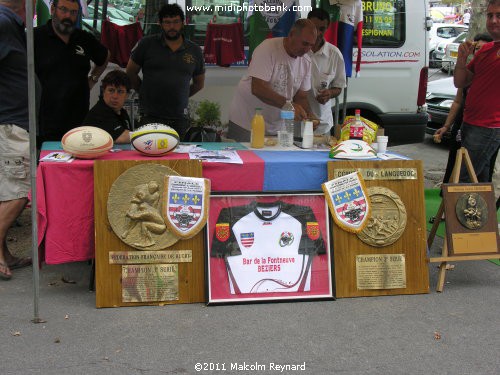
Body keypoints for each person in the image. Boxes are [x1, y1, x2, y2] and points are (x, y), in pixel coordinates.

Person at [228, 19, 318, 142]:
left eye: (311, 45)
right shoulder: (268, 48)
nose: (307, 49)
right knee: (247, 159)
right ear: (291, 34)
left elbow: (301, 96)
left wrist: (309, 115)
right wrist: (289, 106)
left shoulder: (306, 61)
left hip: (276, 127)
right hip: (246, 122)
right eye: (304, 43)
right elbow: (258, 88)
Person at [34, 0, 109, 144]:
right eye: (63, 10)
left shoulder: (83, 38)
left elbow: (105, 56)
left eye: (73, 12)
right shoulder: (36, 37)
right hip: (45, 121)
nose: (68, 16)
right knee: (47, 163)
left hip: (78, 120)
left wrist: (92, 79)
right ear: (53, 9)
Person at [126, 3, 205, 141]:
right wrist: (143, 91)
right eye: (167, 23)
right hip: (149, 116)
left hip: (179, 118)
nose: (172, 27)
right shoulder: (146, 44)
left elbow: (199, 83)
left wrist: (181, 95)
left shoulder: (195, 50)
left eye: (176, 22)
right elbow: (130, 72)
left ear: (183, 23)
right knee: (149, 156)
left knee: (178, 158)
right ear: (160, 23)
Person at [0, 0, 33, 280]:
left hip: (14, 123)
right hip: (11, 124)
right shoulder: (2, 22)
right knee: (21, 190)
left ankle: (4, 253)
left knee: (8, 191)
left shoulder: (11, 25)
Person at [433, 34, 493, 185]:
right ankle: (453, 199)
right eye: (476, 49)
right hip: (464, 123)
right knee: (457, 165)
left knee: (474, 174)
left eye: (483, 49)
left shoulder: (492, 71)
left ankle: (474, 203)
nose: (479, 52)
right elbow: (458, 100)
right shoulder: (471, 69)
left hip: (486, 126)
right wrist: (446, 126)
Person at [454, 0, 500, 186]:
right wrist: (461, 60)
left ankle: (455, 215)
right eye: (490, 15)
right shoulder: (485, 50)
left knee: (462, 180)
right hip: (470, 122)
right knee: (479, 180)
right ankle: (482, 215)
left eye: (499, 15)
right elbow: (460, 82)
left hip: (489, 126)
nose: (493, 20)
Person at [306, 8, 346, 136]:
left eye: (321, 29)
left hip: (321, 123)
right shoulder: (298, 50)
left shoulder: (335, 54)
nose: (317, 33)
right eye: (314, 28)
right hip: (295, 121)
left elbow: (339, 87)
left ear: (327, 28)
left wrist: (329, 93)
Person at [82, 70, 132, 144]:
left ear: (127, 95)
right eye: (111, 90)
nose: (115, 96)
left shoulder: (122, 112)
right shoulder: (100, 111)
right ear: (103, 91)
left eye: (120, 92)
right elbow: (122, 138)